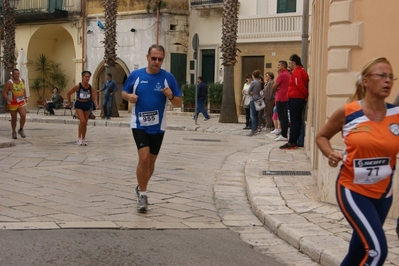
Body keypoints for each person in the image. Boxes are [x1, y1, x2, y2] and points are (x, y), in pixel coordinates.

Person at [316, 57, 399, 265]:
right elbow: (321, 136)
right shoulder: (350, 112)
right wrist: (330, 154)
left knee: (357, 253)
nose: (387, 81)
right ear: (366, 81)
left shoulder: (396, 114)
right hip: (353, 190)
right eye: (381, 75)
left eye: (391, 77)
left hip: (383, 194)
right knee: (376, 251)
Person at [121, 44, 182, 212]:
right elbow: (123, 92)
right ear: (147, 57)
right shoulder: (136, 75)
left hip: (158, 125)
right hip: (139, 123)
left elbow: (178, 102)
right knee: (144, 159)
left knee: (152, 161)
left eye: (160, 59)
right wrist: (129, 97)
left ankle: (141, 186)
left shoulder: (167, 77)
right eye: (154, 58)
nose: (156, 62)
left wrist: (170, 95)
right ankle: (143, 194)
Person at [280, 54, 309, 150]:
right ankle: (297, 140)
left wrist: (305, 95)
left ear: (294, 63)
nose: (289, 65)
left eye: (289, 63)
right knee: (297, 121)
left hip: (296, 99)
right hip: (298, 98)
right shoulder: (302, 71)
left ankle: (292, 141)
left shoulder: (297, 72)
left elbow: (299, 85)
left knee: (294, 121)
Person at [65, 70, 99, 146]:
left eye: (88, 77)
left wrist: (96, 104)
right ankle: (79, 138)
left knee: (85, 123)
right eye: (85, 77)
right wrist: (69, 102)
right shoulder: (78, 86)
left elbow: (94, 97)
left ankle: (83, 139)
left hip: (87, 104)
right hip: (79, 104)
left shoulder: (90, 87)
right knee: (82, 121)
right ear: (82, 77)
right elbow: (68, 93)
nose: (87, 78)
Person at [2, 69, 27, 139]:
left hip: (21, 102)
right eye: (15, 73)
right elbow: (4, 93)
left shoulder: (22, 81)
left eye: (18, 73)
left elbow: (23, 89)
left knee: (23, 116)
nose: (17, 75)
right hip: (12, 103)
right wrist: (8, 99)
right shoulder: (9, 83)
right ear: (12, 75)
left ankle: (21, 129)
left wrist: (25, 97)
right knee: (14, 118)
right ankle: (13, 132)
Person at [272, 61, 290, 142]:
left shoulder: (282, 75)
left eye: (279, 65)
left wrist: (276, 87)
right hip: (285, 98)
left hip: (281, 98)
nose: (277, 66)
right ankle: (284, 134)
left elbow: (274, 86)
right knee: (284, 117)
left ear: (283, 66)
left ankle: (283, 134)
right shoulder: (288, 74)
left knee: (282, 117)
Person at [247, 69, 263, 136]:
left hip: (253, 99)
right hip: (258, 99)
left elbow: (248, 91)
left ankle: (253, 129)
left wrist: (250, 93)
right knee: (257, 115)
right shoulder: (259, 82)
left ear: (253, 75)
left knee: (253, 115)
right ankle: (256, 127)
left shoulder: (253, 82)